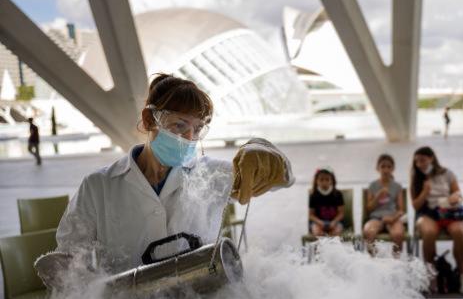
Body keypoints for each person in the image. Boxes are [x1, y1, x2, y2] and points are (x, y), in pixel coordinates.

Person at [36, 74, 293, 280]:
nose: (188, 138)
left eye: (197, 129)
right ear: (149, 120)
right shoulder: (99, 186)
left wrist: (264, 151)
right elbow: (71, 256)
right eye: (179, 125)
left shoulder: (207, 174)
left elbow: (283, 178)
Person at [410, 146, 463, 294]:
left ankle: (462, 274)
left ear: (431, 158)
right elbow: (415, 205)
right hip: (427, 212)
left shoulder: (447, 173)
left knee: (459, 232)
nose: (420, 164)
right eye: (417, 161)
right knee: (429, 233)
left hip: (449, 211)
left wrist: (455, 197)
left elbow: (458, 193)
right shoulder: (417, 177)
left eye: (422, 160)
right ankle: (431, 275)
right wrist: (425, 192)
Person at [363, 154, 405, 257]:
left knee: (398, 234)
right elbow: (368, 208)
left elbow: (401, 210)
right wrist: (378, 196)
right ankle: (375, 262)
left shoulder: (397, 186)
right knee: (369, 232)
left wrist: (393, 218)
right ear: (377, 168)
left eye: (389, 167)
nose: (386, 170)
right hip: (376, 218)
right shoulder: (373, 186)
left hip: (393, 218)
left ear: (393, 169)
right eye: (383, 166)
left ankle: (396, 263)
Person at [309, 167, 344, 236]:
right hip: (318, 222)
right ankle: (321, 246)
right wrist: (320, 222)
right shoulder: (313, 195)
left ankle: (332, 246)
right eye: (321, 180)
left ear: (332, 181)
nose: (324, 182)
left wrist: (334, 222)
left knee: (335, 233)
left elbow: (341, 213)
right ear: (316, 181)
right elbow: (311, 215)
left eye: (327, 179)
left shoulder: (338, 194)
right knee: (318, 232)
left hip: (335, 222)